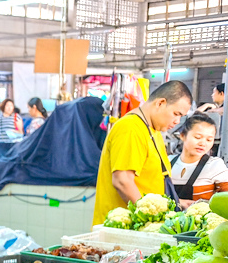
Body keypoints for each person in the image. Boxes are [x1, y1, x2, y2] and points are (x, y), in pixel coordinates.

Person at [92, 80, 193, 226]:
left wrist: (177, 203)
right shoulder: (130, 128)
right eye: (176, 114)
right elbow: (123, 181)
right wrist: (152, 219)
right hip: (121, 229)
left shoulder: (153, 130)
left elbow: (150, 181)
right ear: (160, 103)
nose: (177, 121)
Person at [170, 112, 228, 206]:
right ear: (182, 135)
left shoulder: (216, 166)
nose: (203, 143)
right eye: (198, 137)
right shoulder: (167, 162)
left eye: (209, 139)